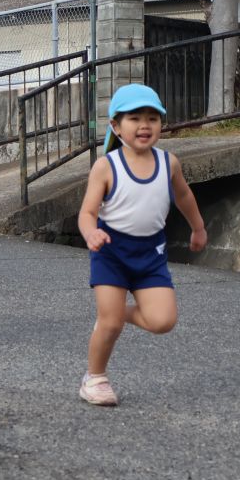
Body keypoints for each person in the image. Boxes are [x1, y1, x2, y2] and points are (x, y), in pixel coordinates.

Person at [77, 84, 207, 406]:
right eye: (134, 118)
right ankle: (95, 378)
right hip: (111, 252)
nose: (145, 125)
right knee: (110, 324)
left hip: (151, 254)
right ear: (116, 127)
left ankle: (115, 313)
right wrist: (91, 233)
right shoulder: (107, 166)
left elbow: (184, 196)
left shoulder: (169, 163)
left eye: (152, 117)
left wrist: (198, 227)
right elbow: (87, 212)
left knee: (163, 321)